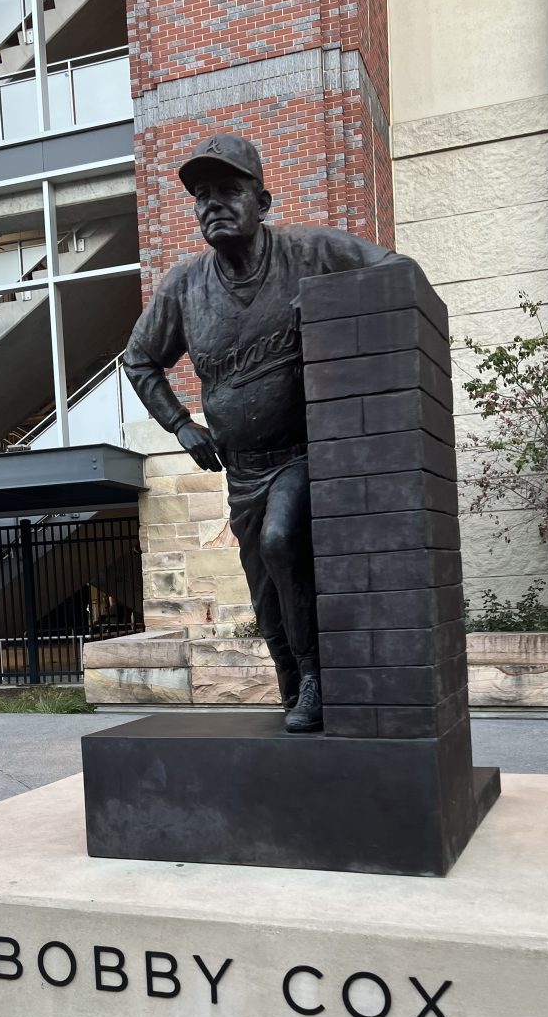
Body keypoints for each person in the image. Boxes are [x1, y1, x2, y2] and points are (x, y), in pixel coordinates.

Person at [123, 134, 400, 732]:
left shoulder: (310, 254)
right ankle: (294, 686)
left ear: (263, 200)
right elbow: (140, 359)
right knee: (265, 592)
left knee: (281, 542)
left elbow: (397, 274)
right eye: (201, 196)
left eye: (229, 191)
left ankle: (318, 680)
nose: (212, 205)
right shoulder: (184, 286)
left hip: (305, 454)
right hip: (242, 468)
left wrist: (338, 310)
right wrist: (181, 425)